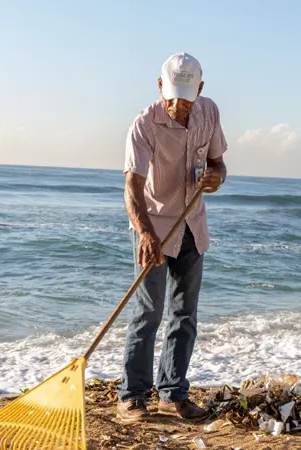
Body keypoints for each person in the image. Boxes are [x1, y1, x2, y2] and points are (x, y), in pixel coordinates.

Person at [116, 52, 228, 422]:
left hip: (192, 224)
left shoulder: (209, 113)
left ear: (200, 89)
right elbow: (132, 186)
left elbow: (218, 164)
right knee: (148, 311)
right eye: (172, 96)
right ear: (160, 85)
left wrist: (217, 177)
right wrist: (146, 234)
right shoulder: (144, 125)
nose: (179, 106)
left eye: (187, 98)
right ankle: (132, 395)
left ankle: (173, 393)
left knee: (184, 313)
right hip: (155, 228)